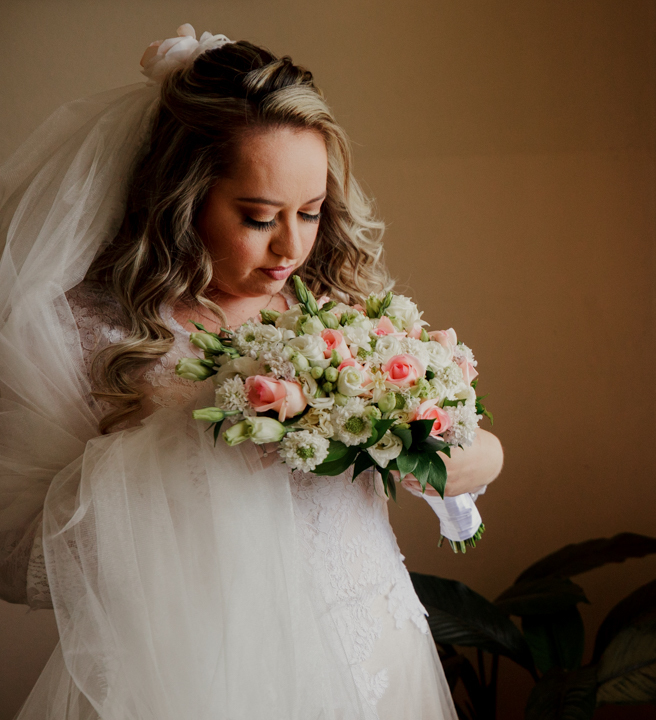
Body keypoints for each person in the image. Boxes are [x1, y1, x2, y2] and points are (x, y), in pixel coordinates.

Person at [0, 25, 501, 719]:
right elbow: (21, 556)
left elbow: (476, 455)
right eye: (259, 216)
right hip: (196, 674)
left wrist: (405, 441)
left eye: (312, 212)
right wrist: (187, 444)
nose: (292, 246)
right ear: (182, 196)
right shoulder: (92, 332)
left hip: (372, 655)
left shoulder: (338, 311)